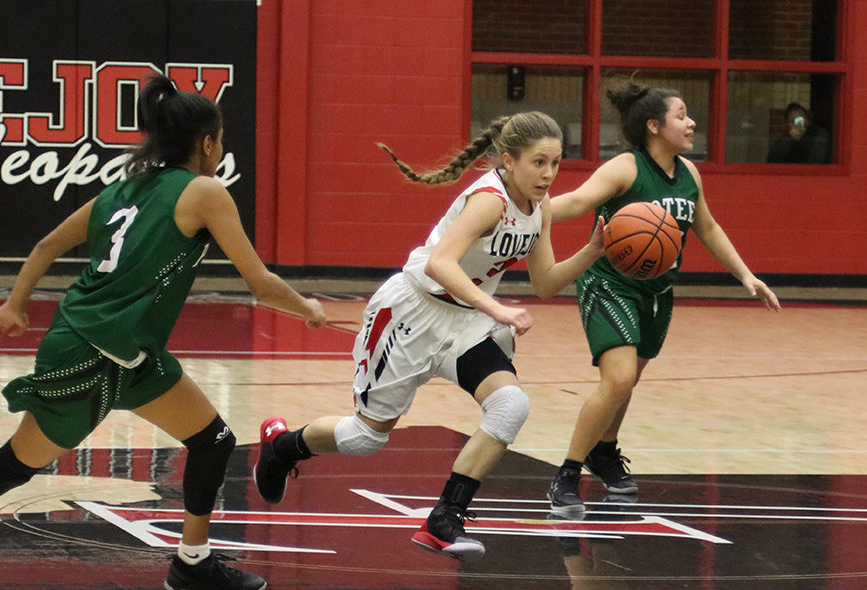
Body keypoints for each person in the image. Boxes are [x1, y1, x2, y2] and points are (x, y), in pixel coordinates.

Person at [0, 73, 326, 590]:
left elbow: (46, 244)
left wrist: (14, 304)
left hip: (119, 349)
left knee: (214, 439)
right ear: (207, 144)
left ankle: (192, 563)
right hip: (94, 349)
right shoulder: (204, 191)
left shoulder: (121, 189)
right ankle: (192, 562)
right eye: (220, 139)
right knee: (12, 467)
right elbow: (259, 283)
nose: (220, 148)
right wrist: (308, 307)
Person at [253, 111, 605, 561]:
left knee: (511, 404)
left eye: (555, 163)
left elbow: (546, 283)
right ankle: (282, 446)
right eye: (539, 162)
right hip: (413, 312)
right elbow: (441, 263)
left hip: (466, 324)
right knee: (365, 439)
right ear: (508, 160)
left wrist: (594, 249)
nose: (548, 174)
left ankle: (444, 519)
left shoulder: (541, 208)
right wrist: (497, 308)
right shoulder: (489, 200)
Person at [546, 78, 781, 515]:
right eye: (681, 115)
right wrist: (525, 208)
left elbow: (706, 227)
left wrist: (745, 275)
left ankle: (605, 450)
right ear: (654, 126)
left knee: (627, 381)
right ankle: (567, 473)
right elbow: (578, 201)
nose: (691, 123)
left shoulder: (689, 173)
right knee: (616, 380)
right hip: (609, 283)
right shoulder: (626, 168)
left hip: (657, 290)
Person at [766, 102, 830, 164]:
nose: (797, 123)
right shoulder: (786, 138)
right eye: (792, 121)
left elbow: (815, 161)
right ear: (787, 124)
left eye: (800, 119)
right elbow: (772, 160)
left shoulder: (818, 134)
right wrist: (789, 138)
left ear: (807, 119)